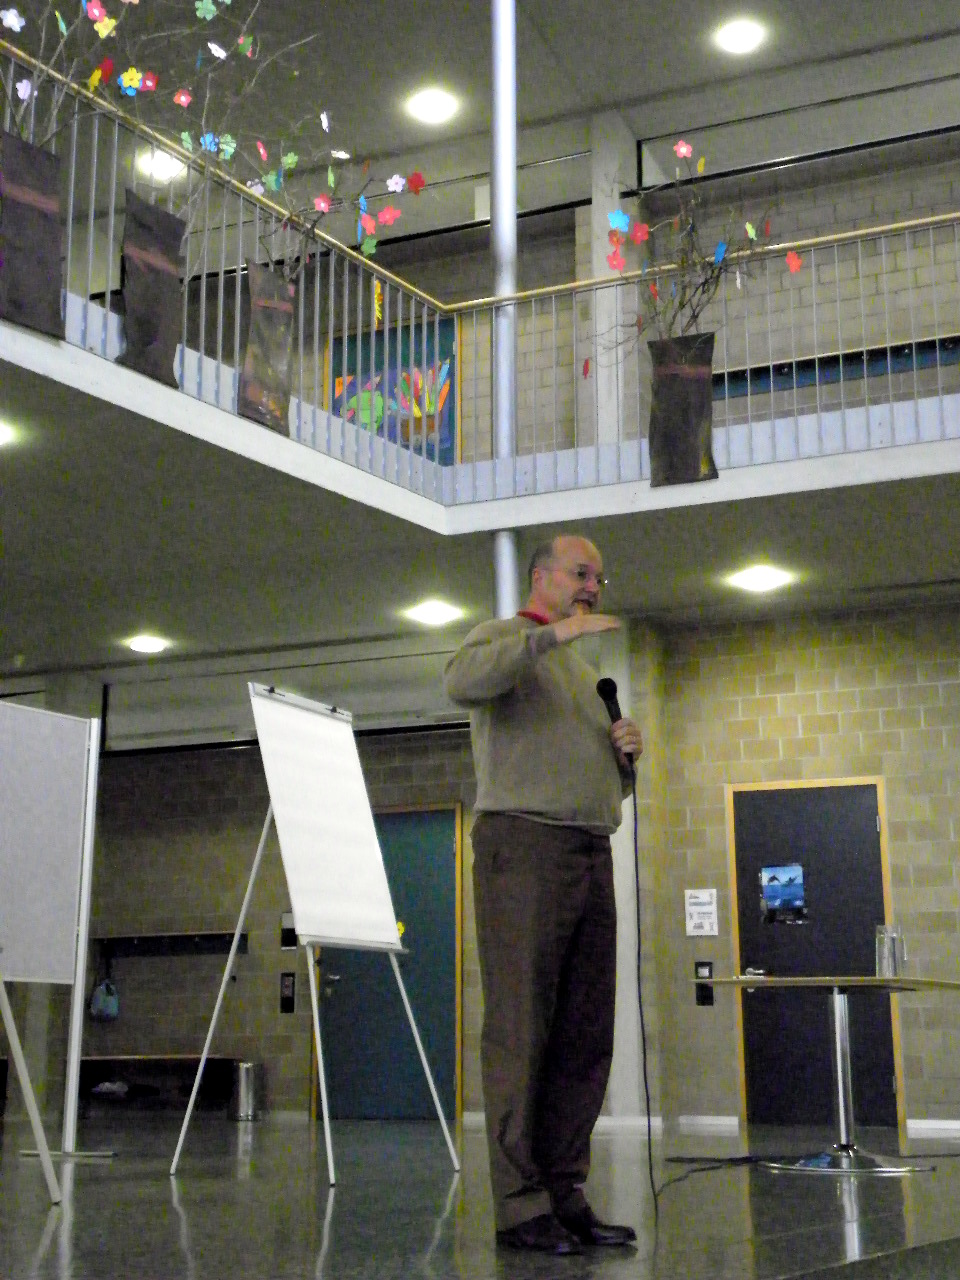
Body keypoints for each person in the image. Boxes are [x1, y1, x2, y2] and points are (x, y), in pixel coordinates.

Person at [444, 533, 643, 1256]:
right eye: (582, 572)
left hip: (590, 849)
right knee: (521, 1029)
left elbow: (597, 781)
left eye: (600, 577)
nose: (593, 586)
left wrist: (623, 759)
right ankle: (519, 1205)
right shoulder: (502, 638)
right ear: (541, 576)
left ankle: (565, 1193)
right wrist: (549, 636)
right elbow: (462, 681)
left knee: (584, 1033)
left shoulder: (586, 675)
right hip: (524, 846)